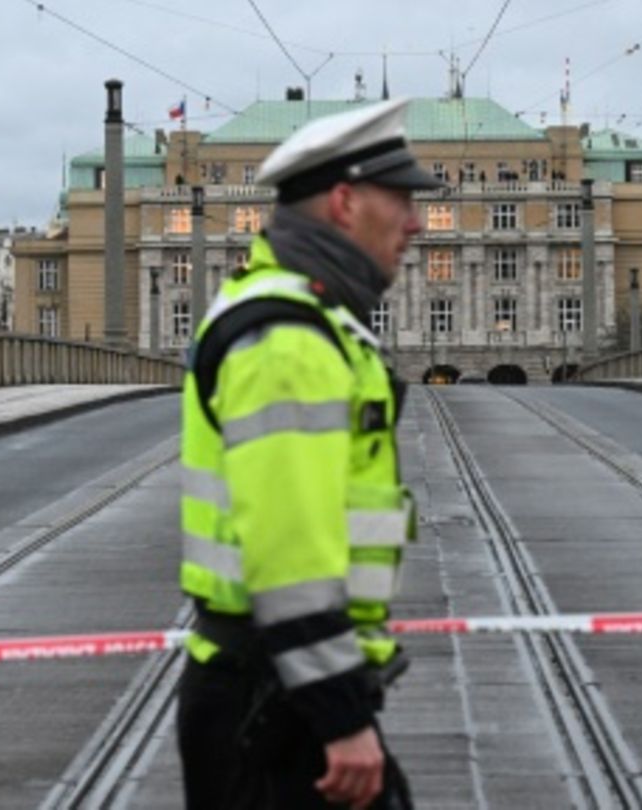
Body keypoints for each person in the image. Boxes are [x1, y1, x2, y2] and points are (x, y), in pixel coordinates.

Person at [177, 98, 441, 809]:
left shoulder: (311, 316)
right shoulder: (290, 340)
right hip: (273, 697)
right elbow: (290, 551)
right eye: (403, 200)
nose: (416, 223)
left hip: (281, 686)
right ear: (346, 202)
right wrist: (341, 717)